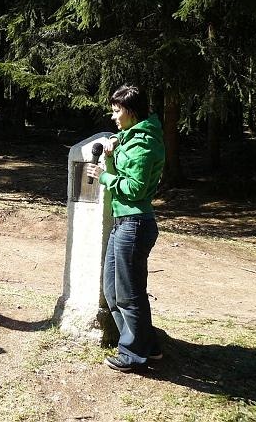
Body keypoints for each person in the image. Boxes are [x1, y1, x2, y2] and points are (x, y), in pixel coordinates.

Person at [86, 85, 165, 372]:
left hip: (135, 225)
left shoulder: (144, 144)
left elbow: (135, 188)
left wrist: (104, 176)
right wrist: (115, 141)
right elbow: (126, 143)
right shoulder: (133, 137)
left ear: (131, 111)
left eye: (117, 111)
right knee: (113, 289)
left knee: (129, 294)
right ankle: (148, 345)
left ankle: (133, 354)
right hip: (123, 224)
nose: (113, 116)